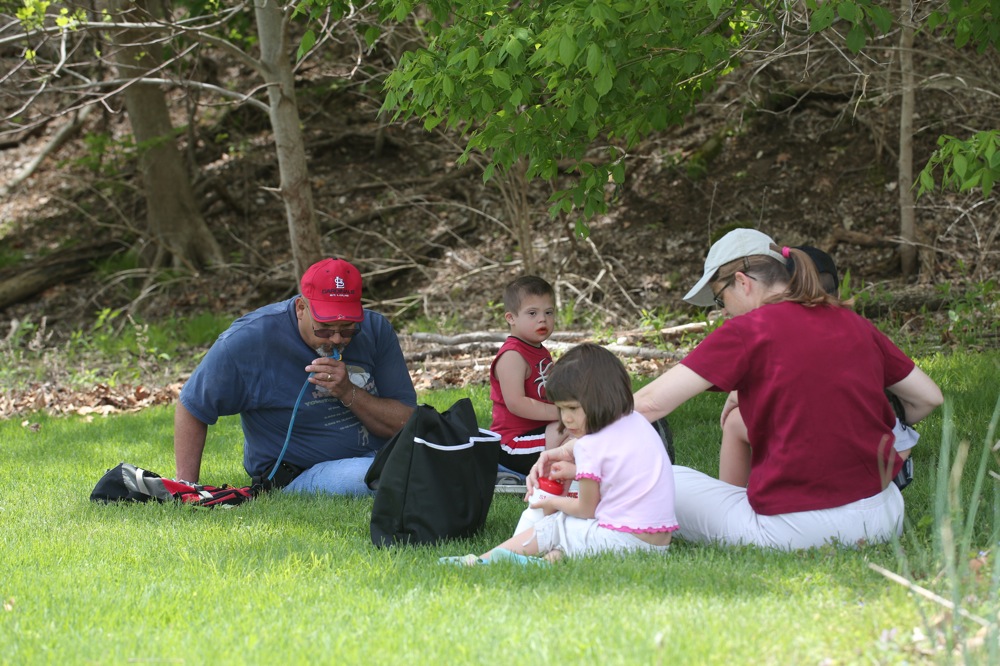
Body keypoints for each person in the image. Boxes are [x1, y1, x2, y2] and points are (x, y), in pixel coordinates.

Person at [531, 229, 942, 550]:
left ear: (742, 282)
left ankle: (564, 527)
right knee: (738, 424)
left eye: (719, 298)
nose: (723, 312)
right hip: (884, 514)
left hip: (797, 530)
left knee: (663, 477)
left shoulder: (748, 330)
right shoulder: (850, 320)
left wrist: (576, 446)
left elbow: (651, 402)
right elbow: (927, 398)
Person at [174, 258, 417, 495]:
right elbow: (193, 405)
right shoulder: (249, 339)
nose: (336, 339)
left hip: (382, 455)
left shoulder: (375, 329)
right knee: (398, 475)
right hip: (301, 471)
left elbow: (405, 421)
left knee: (430, 458)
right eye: (325, 328)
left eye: (347, 328)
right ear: (301, 308)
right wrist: (186, 487)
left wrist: (348, 392)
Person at [441, 343, 677, 565]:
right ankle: (543, 563)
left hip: (624, 539)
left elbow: (586, 509)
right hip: (657, 542)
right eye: (561, 409)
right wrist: (573, 470)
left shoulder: (589, 445)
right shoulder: (634, 421)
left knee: (555, 526)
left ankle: (482, 561)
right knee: (566, 543)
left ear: (602, 399)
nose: (566, 418)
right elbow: (618, 473)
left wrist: (551, 502)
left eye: (573, 408)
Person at [718, 245, 918, 490]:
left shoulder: (780, 336)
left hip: (816, 456)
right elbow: (928, 398)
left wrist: (738, 395)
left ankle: (730, 498)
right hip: (877, 451)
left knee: (736, 422)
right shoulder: (857, 328)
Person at [489, 276, 569, 478]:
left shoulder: (539, 350)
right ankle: (557, 476)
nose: (542, 319)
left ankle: (573, 475)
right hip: (512, 445)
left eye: (548, 312)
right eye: (532, 313)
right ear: (511, 318)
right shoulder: (512, 355)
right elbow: (517, 403)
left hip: (538, 434)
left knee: (582, 428)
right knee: (574, 426)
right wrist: (562, 413)